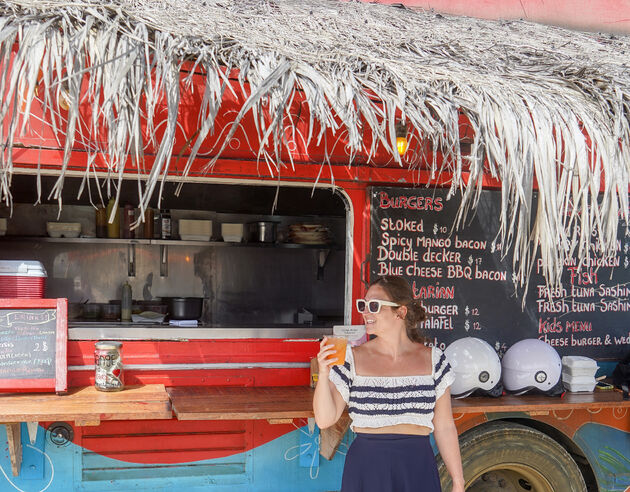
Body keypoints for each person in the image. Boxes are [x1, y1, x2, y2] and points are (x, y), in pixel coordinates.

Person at [313, 275, 465, 492]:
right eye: (363, 305)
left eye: (374, 305)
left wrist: (458, 481)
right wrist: (324, 373)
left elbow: (445, 426)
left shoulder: (434, 359)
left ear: (400, 312)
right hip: (367, 468)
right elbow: (324, 419)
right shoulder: (350, 358)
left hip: (417, 468)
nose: (365, 312)